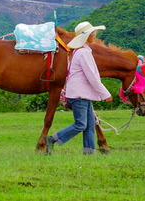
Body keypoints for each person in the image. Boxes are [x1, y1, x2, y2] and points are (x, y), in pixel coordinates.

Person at [47, 21, 112, 155]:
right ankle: (52, 139)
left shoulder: (82, 51)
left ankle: (89, 152)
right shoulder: (83, 53)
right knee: (81, 124)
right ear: (86, 36)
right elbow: (92, 77)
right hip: (79, 95)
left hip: (82, 94)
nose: (94, 35)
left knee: (89, 125)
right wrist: (105, 94)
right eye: (92, 33)